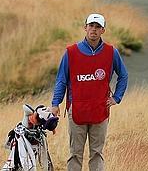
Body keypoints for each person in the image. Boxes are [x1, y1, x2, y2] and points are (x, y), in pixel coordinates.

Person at [50, 13, 128, 171]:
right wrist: (55, 103)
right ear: (85, 28)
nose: (94, 29)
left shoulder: (111, 52)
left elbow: (124, 75)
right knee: (75, 154)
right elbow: (61, 80)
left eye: (98, 27)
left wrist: (116, 98)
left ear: (103, 30)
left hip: (100, 110)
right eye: (91, 26)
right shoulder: (71, 52)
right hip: (76, 110)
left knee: (97, 153)